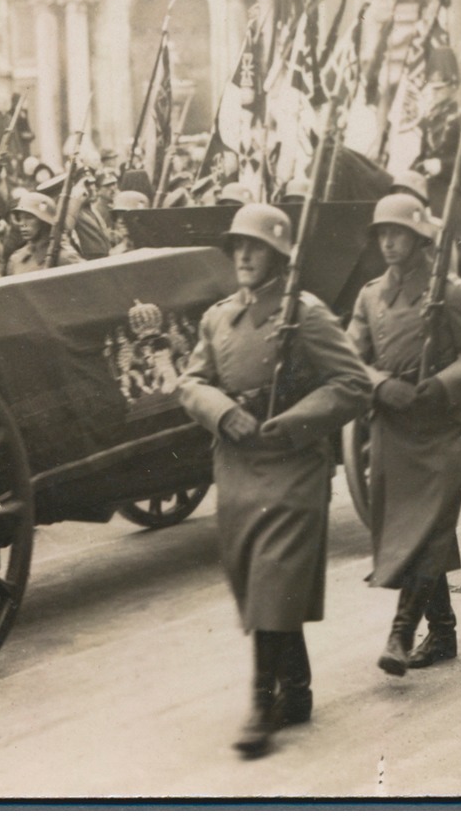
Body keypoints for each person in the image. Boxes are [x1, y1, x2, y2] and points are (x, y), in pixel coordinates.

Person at [176, 203, 370, 759]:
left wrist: (295, 420)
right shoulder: (217, 318)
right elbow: (190, 381)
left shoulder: (306, 315)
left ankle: (263, 702)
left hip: (291, 463)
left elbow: (352, 383)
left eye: (254, 247)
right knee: (256, 578)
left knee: (271, 575)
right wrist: (219, 410)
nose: (242, 256)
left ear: (280, 256)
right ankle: (299, 687)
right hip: (237, 463)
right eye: (237, 246)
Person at [347, 193, 461, 677]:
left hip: (439, 429)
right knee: (411, 531)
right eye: (383, 235)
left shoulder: (449, 292)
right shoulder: (370, 296)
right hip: (393, 428)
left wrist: (438, 386)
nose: (390, 243)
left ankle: (402, 630)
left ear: (418, 239)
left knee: (429, 529)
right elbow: (350, 361)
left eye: (399, 235)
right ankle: (444, 628)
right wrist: (381, 385)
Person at [3, 191, 82, 276]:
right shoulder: (16, 259)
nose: (23, 224)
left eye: (29, 218)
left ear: (44, 221)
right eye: (20, 218)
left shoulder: (64, 257)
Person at [108, 189, 149, 255]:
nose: (120, 221)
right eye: (117, 216)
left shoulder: (155, 249)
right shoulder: (116, 253)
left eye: (126, 215)